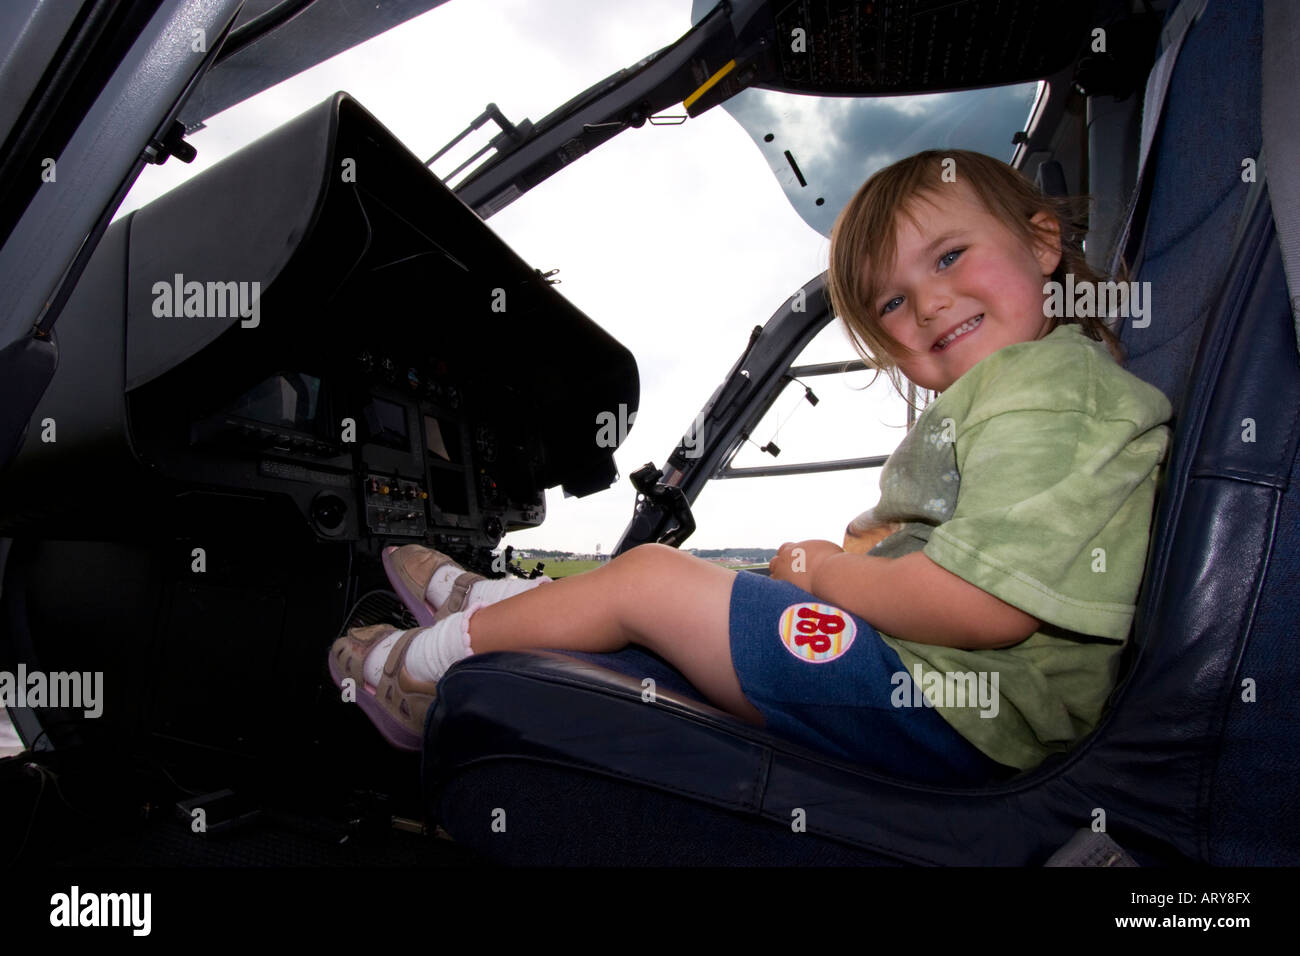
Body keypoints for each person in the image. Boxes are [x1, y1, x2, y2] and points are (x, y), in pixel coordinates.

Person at [328, 148, 1172, 785]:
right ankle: (503, 603)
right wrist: (842, 561)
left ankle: (417, 668)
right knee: (703, 584)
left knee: (649, 583)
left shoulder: (1044, 391)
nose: (929, 302)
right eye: (891, 300)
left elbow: (983, 607)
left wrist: (831, 573)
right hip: (949, 684)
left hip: (964, 707)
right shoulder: (1031, 384)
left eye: (949, 257)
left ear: (1043, 242)